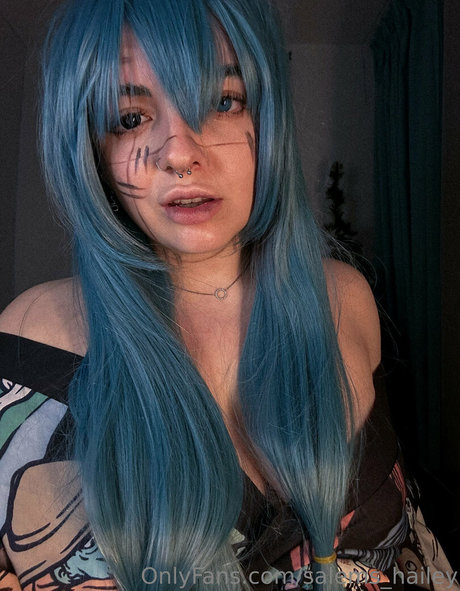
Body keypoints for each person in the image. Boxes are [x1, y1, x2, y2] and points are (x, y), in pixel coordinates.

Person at [0, 0, 456, 590]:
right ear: (93, 149)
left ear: (267, 118)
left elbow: (414, 541)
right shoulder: (31, 337)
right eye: (130, 117)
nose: (180, 153)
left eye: (222, 103)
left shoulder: (345, 298)